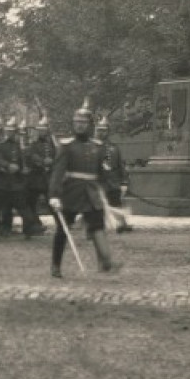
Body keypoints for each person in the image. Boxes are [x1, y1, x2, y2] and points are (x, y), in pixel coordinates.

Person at [48, 99, 118, 278]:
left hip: (91, 192)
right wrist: (54, 194)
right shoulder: (66, 145)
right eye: (77, 122)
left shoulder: (98, 147)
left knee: (97, 225)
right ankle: (56, 265)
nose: (79, 126)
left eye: (83, 123)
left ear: (90, 125)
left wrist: (111, 189)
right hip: (71, 192)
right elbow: (57, 172)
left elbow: (103, 172)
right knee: (63, 229)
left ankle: (106, 262)